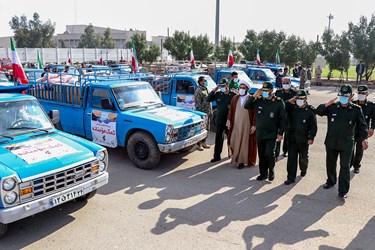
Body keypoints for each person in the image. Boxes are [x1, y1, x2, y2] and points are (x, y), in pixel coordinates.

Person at [316, 84, 368, 199]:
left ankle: (343, 190)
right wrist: (327, 104)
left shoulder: (356, 109)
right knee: (330, 163)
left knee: (345, 167)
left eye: (346, 96)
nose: (343, 98)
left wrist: (364, 139)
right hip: (331, 142)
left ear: (350, 97)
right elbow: (318, 111)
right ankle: (331, 181)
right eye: (341, 96)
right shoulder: (332, 107)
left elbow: (362, 126)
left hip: (347, 143)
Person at [244, 82, 286, 181]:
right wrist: (254, 95)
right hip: (260, 132)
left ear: (272, 91)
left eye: (267, 91)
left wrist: (281, 133)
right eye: (263, 91)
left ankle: (271, 170)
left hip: (272, 133)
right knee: (262, 154)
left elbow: (283, 119)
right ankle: (263, 174)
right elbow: (247, 106)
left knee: (269, 153)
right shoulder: (258, 100)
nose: (265, 93)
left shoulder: (278, 102)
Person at [283, 90, 317, 185]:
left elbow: (313, 126)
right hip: (292, 138)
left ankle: (303, 169)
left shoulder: (310, 110)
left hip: (304, 139)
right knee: (291, 159)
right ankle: (290, 178)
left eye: (301, 99)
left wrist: (311, 137)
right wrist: (289, 101)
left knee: (303, 157)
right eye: (297, 98)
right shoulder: (291, 107)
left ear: (306, 99)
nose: (299, 100)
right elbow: (281, 107)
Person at [227, 79, 257, 169]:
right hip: (235, 124)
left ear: (247, 89)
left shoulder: (251, 99)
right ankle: (235, 158)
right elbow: (231, 110)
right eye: (240, 87)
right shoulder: (235, 98)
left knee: (244, 143)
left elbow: (255, 113)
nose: (241, 89)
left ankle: (241, 161)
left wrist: (254, 125)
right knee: (234, 141)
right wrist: (228, 121)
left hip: (246, 124)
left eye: (243, 88)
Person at [206, 78, 236, 162]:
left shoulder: (232, 95)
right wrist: (214, 90)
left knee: (231, 139)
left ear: (227, 85)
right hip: (220, 120)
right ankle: (216, 156)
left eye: (223, 85)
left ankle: (234, 155)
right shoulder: (218, 94)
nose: (222, 87)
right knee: (218, 139)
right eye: (220, 86)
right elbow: (208, 99)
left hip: (229, 121)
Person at [351, 85, 375, 173]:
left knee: (360, 149)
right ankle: (349, 163)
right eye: (359, 93)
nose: (361, 95)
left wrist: (372, 128)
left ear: (367, 94)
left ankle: (356, 165)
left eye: (363, 93)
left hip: (363, 131)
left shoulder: (371, 106)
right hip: (352, 130)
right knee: (350, 148)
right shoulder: (353, 103)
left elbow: (374, 118)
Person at [274, 77, 297, 158]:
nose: (285, 85)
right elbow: (278, 104)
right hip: (279, 117)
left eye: (287, 83)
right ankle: (276, 153)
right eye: (283, 83)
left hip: (290, 117)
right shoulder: (278, 92)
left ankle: (285, 150)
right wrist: (288, 102)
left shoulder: (294, 93)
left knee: (288, 135)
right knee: (278, 134)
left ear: (290, 83)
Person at [194, 76, 212, 150]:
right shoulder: (198, 91)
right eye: (204, 80)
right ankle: (199, 144)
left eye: (205, 80)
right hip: (203, 113)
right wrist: (200, 114)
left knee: (207, 128)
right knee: (201, 129)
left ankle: (204, 142)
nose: (205, 82)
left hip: (208, 112)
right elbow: (197, 104)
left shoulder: (206, 89)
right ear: (200, 82)